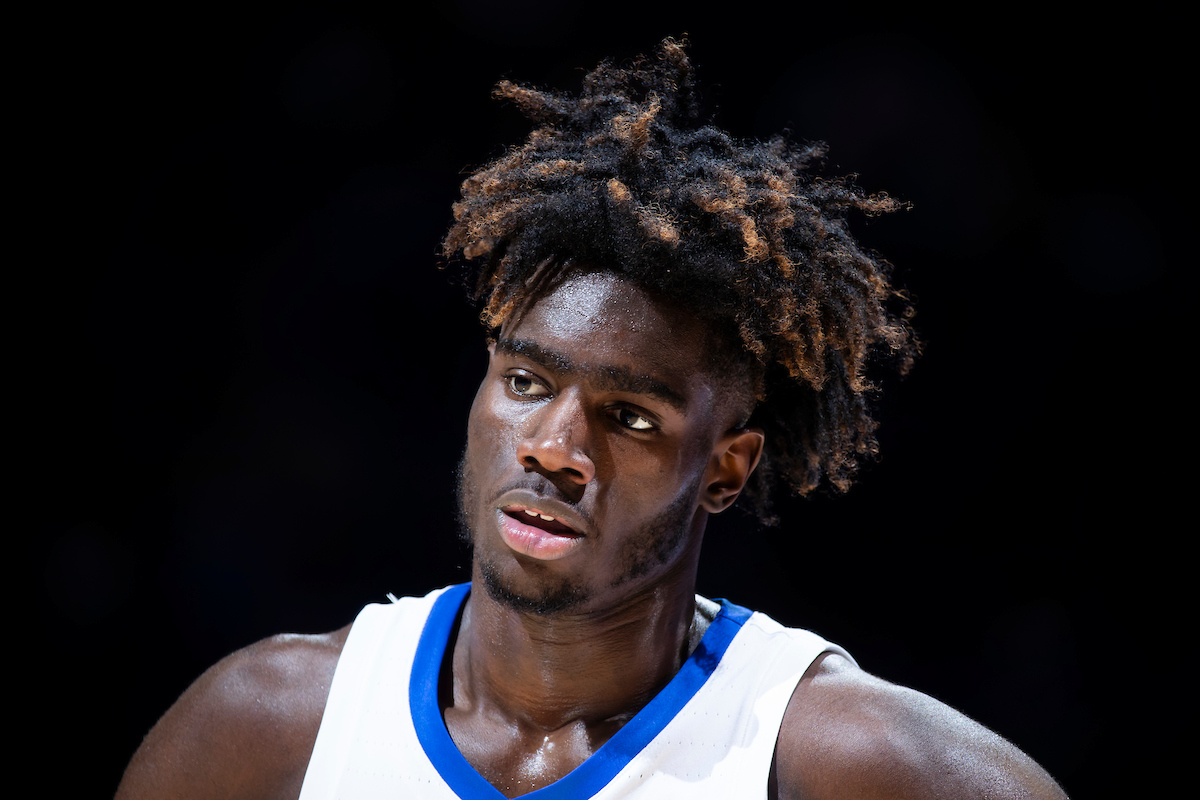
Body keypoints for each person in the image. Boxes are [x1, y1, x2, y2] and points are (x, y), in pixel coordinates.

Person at [116, 39, 1068, 799]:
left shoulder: (833, 758)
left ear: (727, 469)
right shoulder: (270, 728)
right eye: (528, 383)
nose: (553, 449)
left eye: (630, 417)